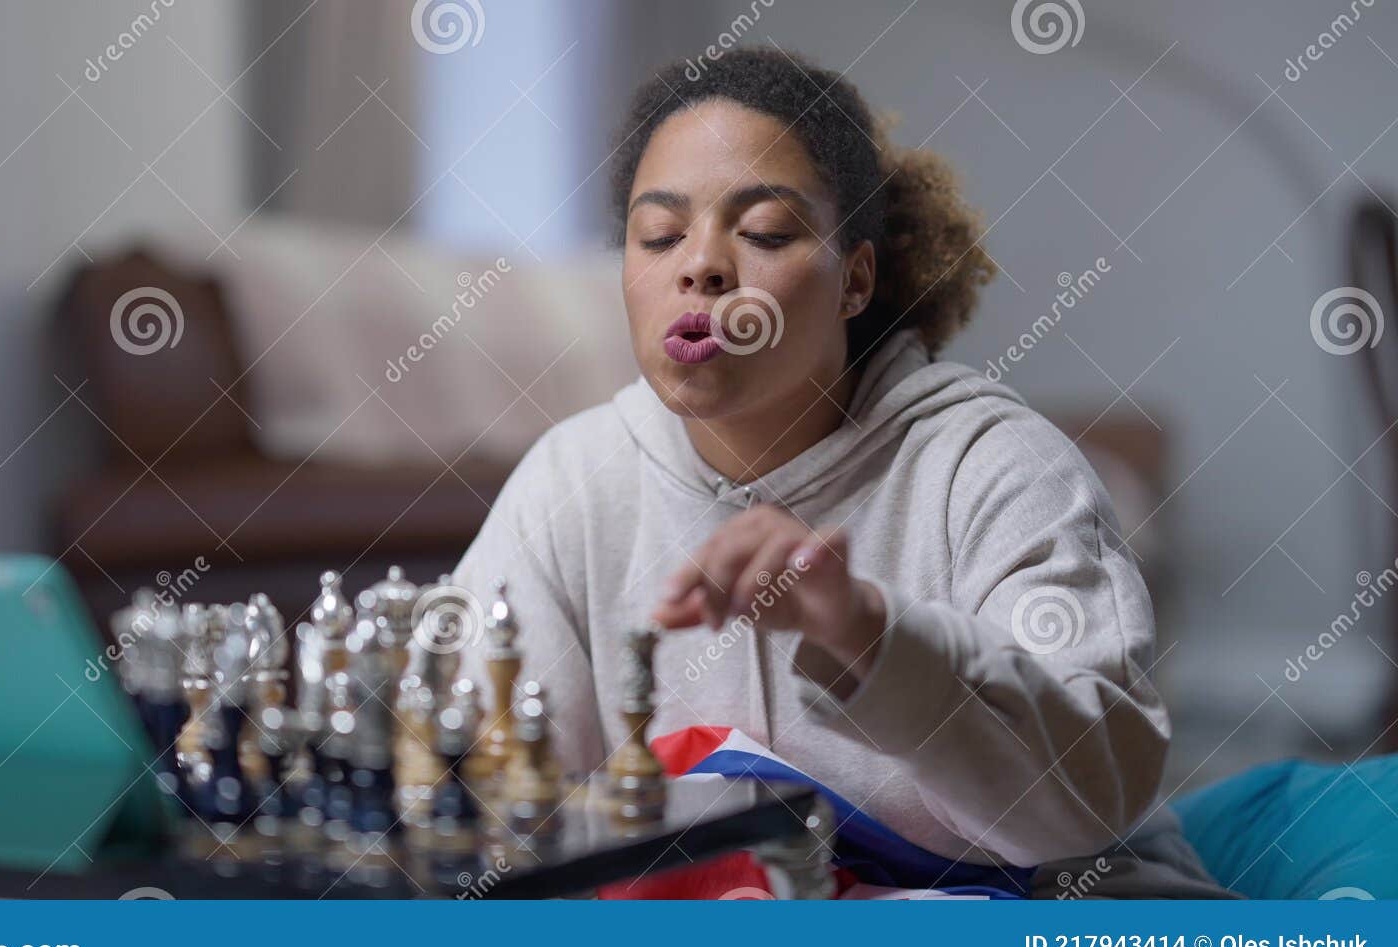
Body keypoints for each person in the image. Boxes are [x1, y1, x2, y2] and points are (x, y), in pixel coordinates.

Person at [453, 46, 1225, 897]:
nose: (700, 266)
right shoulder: (571, 479)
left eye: (764, 233)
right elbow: (490, 801)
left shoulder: (998, 467)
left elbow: (1088, 801)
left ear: (855, 279)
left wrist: (868, 636)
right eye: (660, 235)